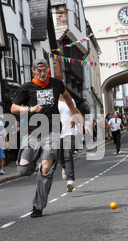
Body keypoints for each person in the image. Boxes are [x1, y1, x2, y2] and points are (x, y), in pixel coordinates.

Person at [10, 58, 78, 218]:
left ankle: (38, 207)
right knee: (23, 170)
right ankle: (38, 163)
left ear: (48, 69)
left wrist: (74, 114)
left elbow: (67, 97)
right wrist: (30, 109)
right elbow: (13, 108)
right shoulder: (26, 88)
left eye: (44, 70)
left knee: (45, 169)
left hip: (53, 131)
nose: (42, 73)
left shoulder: (56, 84)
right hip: (32, 132)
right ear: (33, 71)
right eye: (38, 70)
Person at [58, 95, 78, 192]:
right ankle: (64, 167)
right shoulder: (53, 102)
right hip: (57, 133)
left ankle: (70, 180)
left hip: (69, 131)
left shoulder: (71, 101)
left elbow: (75, 112)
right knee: (60, 156)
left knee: (68, 154)